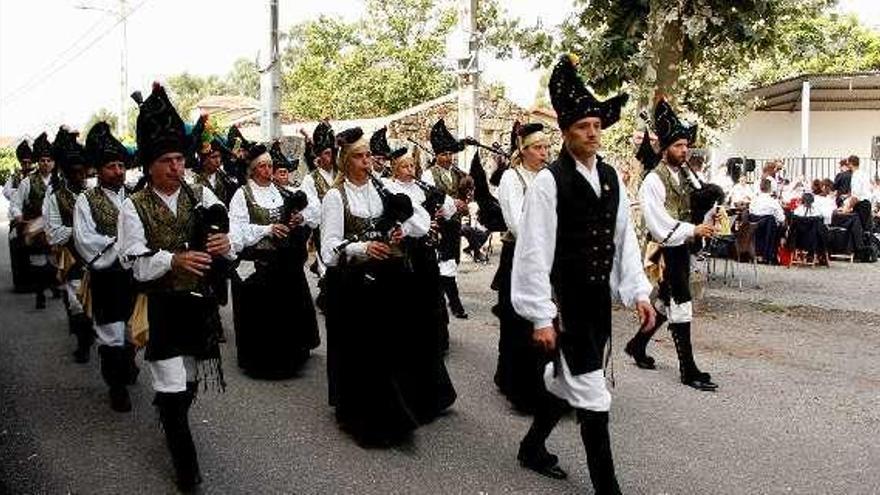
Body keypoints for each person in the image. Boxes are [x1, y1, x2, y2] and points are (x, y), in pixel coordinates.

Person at [512, 54, 655, 494]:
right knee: (593, 396)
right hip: (565, 305)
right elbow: (534, 251)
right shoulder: (549, 183)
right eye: (581, 127)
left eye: (596, 125)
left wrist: (638, 291)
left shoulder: (611, 177)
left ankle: (532, 448)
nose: (592, 133)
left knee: (564, 381)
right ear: (565, 132)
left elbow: (623, 240)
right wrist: (540, 315)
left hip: (596, 303)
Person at [118, 83, 235, 491]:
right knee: (171, 384)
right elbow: (133, 263)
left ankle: (170, 411)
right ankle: (186, 466)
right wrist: (173, 259)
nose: (175, 167)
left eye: (180, 159)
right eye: (166, 160)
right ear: (149, 165)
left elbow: (222, 237)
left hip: (196, 304)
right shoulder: (133, 207)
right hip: (160, 306)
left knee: (186, 385)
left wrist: (224, 243)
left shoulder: (199, 193)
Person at [321, 127, 431, 446]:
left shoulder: (379, 190)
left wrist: (395, 234)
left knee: (386, 348)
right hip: (351, 284)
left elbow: (405, 225)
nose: (367, 161)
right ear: (345, 161)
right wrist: (361, 248)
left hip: (384, 281)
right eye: (359, 156)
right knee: (358, 351)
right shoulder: (334, 196)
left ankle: (392, 411)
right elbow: (329, 250)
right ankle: (359, 414)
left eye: (369, 155)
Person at [626, 97, 719, 392]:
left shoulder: (684, 175)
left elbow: (694, 204)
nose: (684, 150)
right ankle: (687, 369)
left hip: (681, 245)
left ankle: (637, 345)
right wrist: (694, 229)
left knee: (667, 303)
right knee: (681, 303)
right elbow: (658, 223)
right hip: (665, 250)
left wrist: (709, 212)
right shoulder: (653, 181)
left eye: (685, 146)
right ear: (665, 149)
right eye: (678, 146)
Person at [380, 136, 457, 423]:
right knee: (410, 317)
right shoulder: (388, 188)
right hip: (405, 256)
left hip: (426, 255)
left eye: (412, 165)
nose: (409, 170)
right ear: (394, 168)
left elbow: (450, 209)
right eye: (403, 166)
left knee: (430, 307)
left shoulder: (423, 187)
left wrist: (440, 212)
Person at [228, 143, 319, 379]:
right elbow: (236, 233)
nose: (268, 170)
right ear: (252, 170)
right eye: (263, 166)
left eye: (270, 165)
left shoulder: (281, 191)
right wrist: (267, 229)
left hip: (282, 262)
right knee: (261, 318)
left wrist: (300, 218)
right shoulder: (242, 195)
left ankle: (289, 359)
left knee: (284, 314)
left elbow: (313, 212)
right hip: (256, 263)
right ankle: (261, 363)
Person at [76, 121, 139, 411]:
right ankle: (116, 387)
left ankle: (127, 365)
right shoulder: (86, 200)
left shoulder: (136, 196)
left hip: (134, 274)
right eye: (112, 166)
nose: (118, 171)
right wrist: (119, 244)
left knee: (132, 327)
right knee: (111, 331)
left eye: (121, 165)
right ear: (99, 170)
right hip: (107, 274)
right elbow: (85, 239)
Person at [492, 122, 550, 414]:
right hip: (519, 253)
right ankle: (514, 383)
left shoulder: (549, 178)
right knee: (516, 320)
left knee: (542, 319)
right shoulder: (511, 179)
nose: (544, 153)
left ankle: (544, 382)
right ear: (523, 150)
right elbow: (515, 220)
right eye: (538, 148)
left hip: (546, 255)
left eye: (546, 147)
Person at [43, 127, 94, 365]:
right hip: (73, 258)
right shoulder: (55, 198)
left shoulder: (95, 195)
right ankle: (83, 342)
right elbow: (53, 233)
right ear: (65, 172)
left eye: (82, 171)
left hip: (99, 259)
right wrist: (81, 233)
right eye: (74, 172)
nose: (79, 176)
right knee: (77, 304)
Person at [421, 118, 470, 319]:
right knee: (445, 263)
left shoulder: (458, 174)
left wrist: (464, 203)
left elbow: (465, 199)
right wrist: (447, 204)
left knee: (453, 262)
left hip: (454, 224)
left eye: (450, 154)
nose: (448, 158)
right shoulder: (428, 174)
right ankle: (454, 305)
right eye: (443, 154)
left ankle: (443, 299)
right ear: (436, 155)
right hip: (438, 225)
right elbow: (429, 198)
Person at [10, 131, 58, 309]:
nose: (46, 163)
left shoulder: (59, 182)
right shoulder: (27, 182)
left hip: (54, 227)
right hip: (36, 226)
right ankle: (40, 295)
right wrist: (18, 216)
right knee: (39, 262)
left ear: (53, 162)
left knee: (53, 260)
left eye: (49, 160)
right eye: (43, 160)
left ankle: (53, 286)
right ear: (38, 162)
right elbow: (15, 203)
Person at [300, 121, 337, 310]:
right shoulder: (311, 179)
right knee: (329, 264)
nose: (331, 157)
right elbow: (312, 206)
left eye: (332, 152)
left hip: (345, 227)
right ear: (318, 156)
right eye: (327, 153)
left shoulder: (342, 174)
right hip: (323, 229)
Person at [6, 140, 35, 292]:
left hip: (35, 217)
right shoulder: (15, 176)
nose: (26, 165)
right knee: (14, 240)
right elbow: (6, 192)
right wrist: (18, 194)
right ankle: (21, 281)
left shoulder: (36, 176)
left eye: (29, 162)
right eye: (24, 162)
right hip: (19, 217)